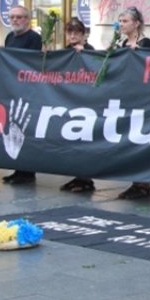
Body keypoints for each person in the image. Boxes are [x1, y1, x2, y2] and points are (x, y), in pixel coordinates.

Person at [116, 7, 150, 200]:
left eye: (125, 21)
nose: (122, 25)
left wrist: (138, 54)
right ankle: (135, 182)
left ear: (136, 23)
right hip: (126, 96)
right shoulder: (121, 43)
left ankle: (143, 184)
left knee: (141, 138)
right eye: (120, 21)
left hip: (142, 98)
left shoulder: (145, 43)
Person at [2, 5, 42, 185]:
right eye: (12, 17)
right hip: (12, 88)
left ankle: (27, 172)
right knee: (14, 130)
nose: (15, 20)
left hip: (27, 89)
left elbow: (30, 61)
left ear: (27, 19)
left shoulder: (34, 38)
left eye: (19, 17)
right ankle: (18, 169)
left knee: (25, 130)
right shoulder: (9, 37)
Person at [59, 17, 98, 193]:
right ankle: (78, 176)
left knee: (84, 141)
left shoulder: (90, 51)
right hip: (69, 101)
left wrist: (86, 54)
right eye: (70, 32)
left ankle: (86, 178)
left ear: (83, 35)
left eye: (76, 33)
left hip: (86, 102)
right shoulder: (65, 52)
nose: (73, 36)